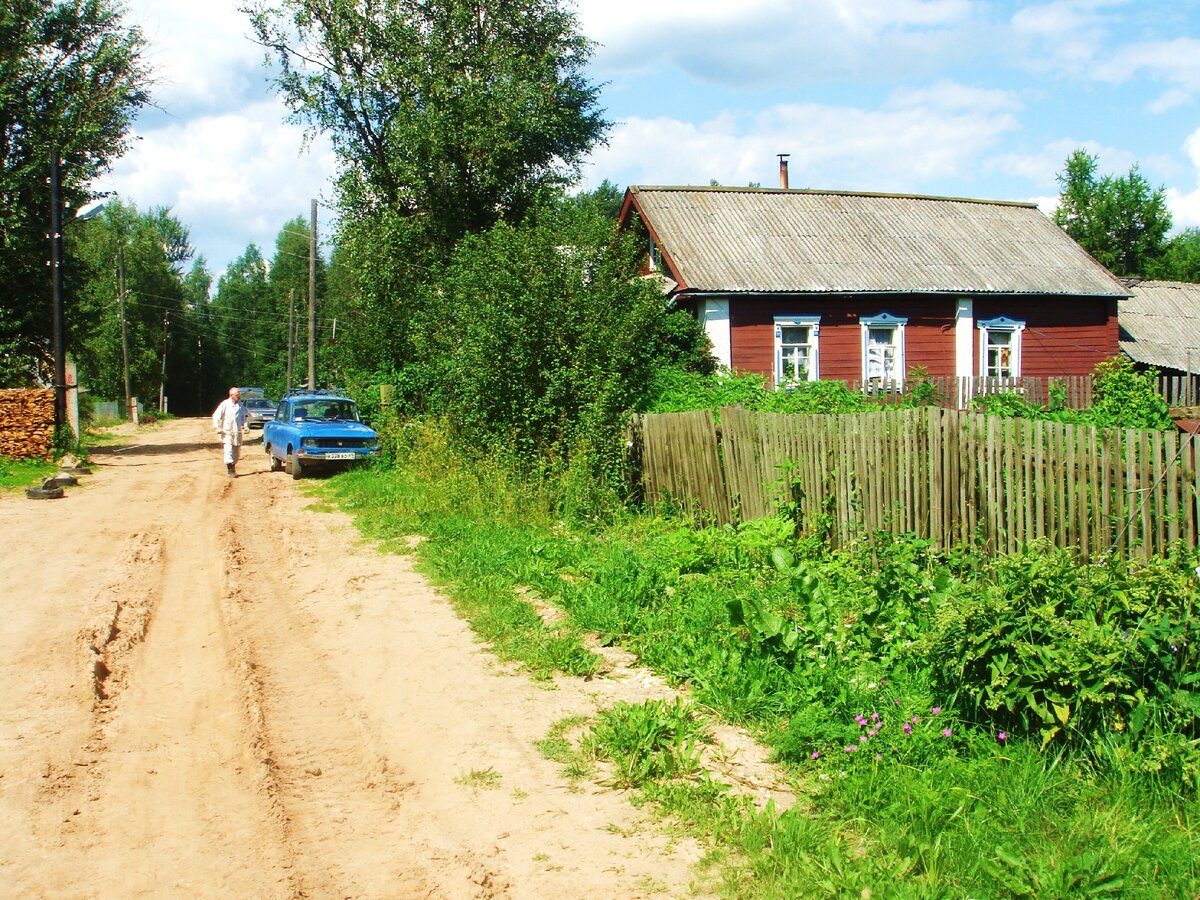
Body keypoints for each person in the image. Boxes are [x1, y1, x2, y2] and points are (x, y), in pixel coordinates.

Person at [211, 387, 248, 477]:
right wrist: (217, 427)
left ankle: (233, 465)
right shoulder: (225, 404)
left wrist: (245, 426)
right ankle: (230, 470)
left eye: (239, 394)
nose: (238, 396)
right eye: (236, 394)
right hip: (227, 432)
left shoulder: (240, 405)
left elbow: (244, 416)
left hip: (237, 432)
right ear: (231, 395)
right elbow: (216, 416)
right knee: (228, 451)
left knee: (236, 452)